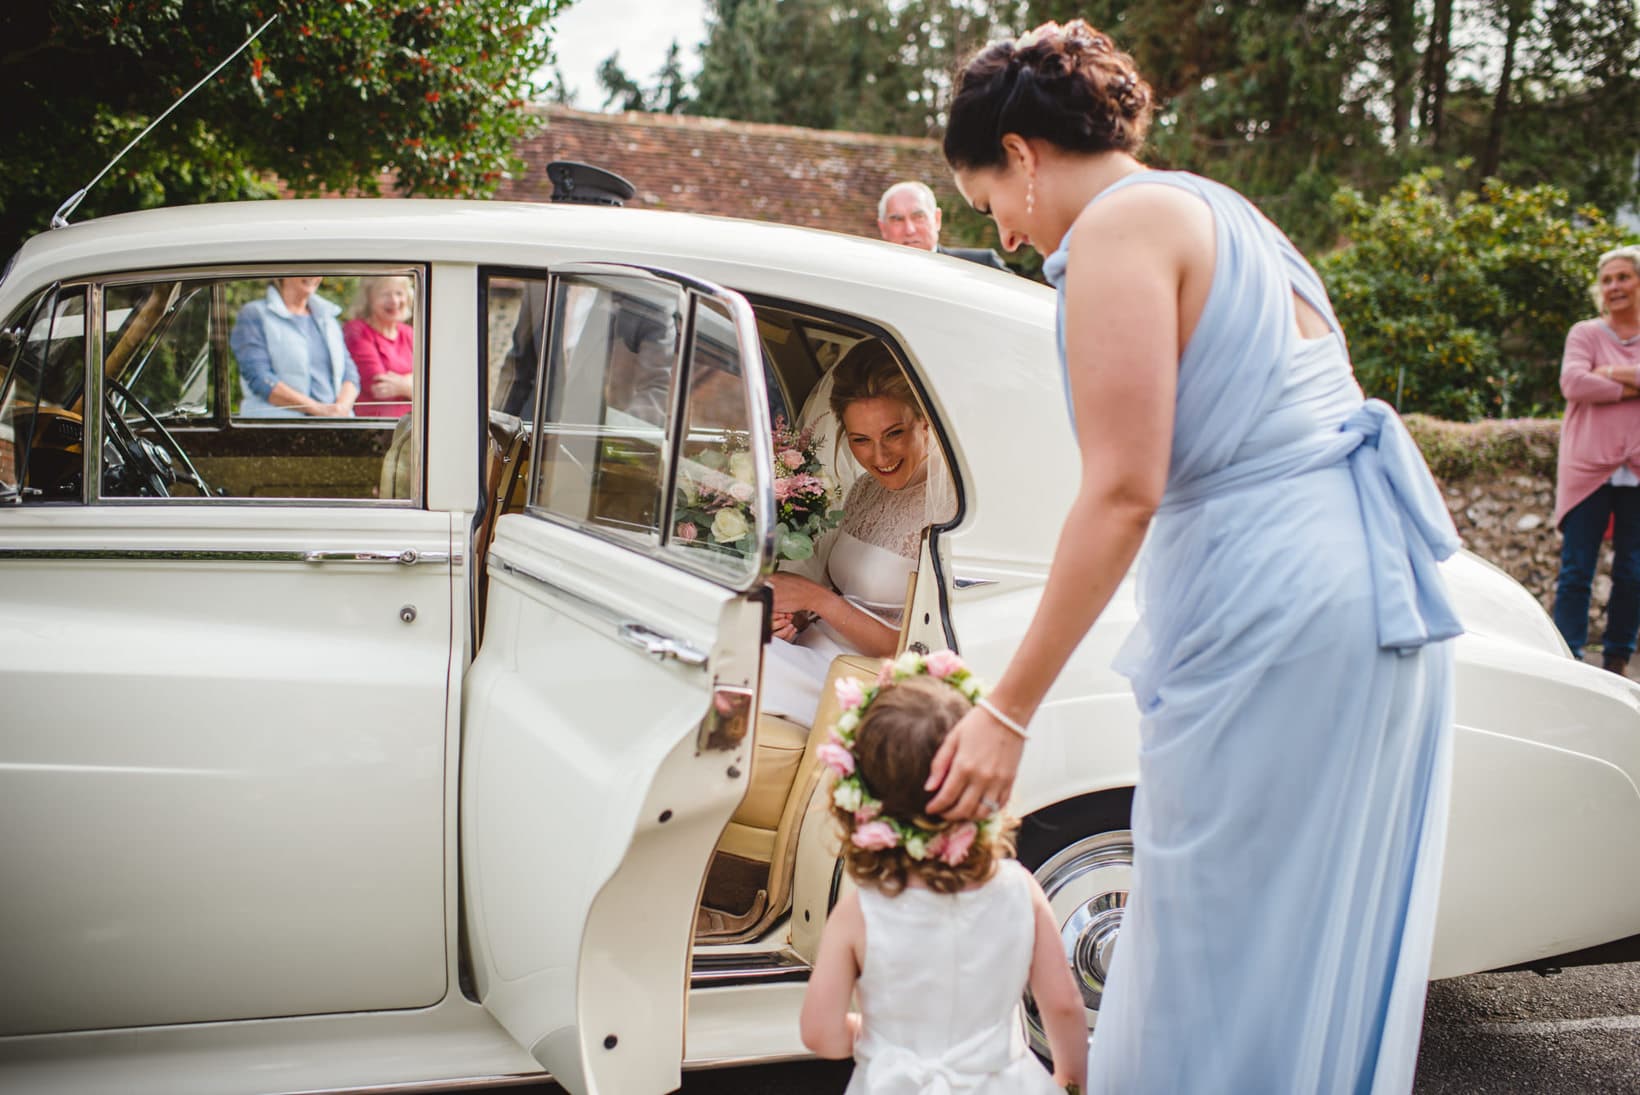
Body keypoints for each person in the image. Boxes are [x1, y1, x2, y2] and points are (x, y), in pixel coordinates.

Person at [926, 20, 1462, 1093]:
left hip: (1272, 606)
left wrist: (1007, 710)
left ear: (1021, 153)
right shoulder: (1225, 213)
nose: (1013, 238)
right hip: (1363, 591)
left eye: (989, 204)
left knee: (1215, 934)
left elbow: (1124, 490)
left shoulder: (1119, 233)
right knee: (1293, 925)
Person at [799, 655, 1086, 1094]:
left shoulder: (861, 913)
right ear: (981, 785)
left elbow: (822, 1033)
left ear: (862, 796)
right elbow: (1063, 1006)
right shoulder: (1018, 890)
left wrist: (882, 1039)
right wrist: (1069, 1079)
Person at [761, 342, 952, 726]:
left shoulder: (946, 508)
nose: (879, 458)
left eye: (894, 434)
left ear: (925, 421)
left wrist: (816, 598)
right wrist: (797, 618)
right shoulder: (866, 488)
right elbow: (843, 592)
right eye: (860, 440)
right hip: (812, 648)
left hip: (859, 678)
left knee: (736, 664)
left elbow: (918, 648)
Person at [1552, 245, 1640, 673]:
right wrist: (1631, 382)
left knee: (1633, 572)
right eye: (1607, 280)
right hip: (1587, 467)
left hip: (1637, 472)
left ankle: (1617, 660)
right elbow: (1573, 383)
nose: (1614, 287)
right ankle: (1568, 658)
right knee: (1576, 571)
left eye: (1623, 277)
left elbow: (1590, 380)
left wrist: (1605, 373)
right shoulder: (1584, 333)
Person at [232, 276, 359, 417]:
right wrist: (318, 409)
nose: (313, 275)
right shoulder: (254, 314)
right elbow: (259, 377)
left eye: (318, 269)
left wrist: (341, 410)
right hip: (280, 428)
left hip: (333, 428)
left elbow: (350, 374)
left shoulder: (328, 318)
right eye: (305, 267)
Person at [877, 180, 1009, 270]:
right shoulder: (867, 277)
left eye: (919, 217)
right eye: (897, 220)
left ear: (937, 219)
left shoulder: (982, 266)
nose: (910, 230)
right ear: (882, 228)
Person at [343, 276, 415, 419]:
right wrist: (414, 382)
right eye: (386, 294)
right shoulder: (357, 330)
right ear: (369, 299)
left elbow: (434, 380)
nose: (394, 301)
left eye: (399, 293)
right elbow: (378, 386)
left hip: (411, 427)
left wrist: (405, 386)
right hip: (375, 428)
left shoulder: (409, 333)